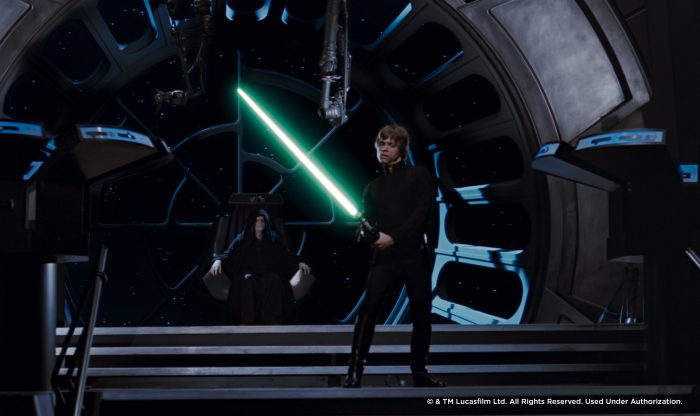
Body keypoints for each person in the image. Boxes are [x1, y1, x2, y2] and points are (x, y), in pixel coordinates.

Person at [344, 124, 446, 388]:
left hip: (413, 255)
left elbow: (421, 214)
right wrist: (368, 233)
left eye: (391, 144)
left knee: (421, 312)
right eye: (381, 144)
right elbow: (366, 223)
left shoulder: (419, 175)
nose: (385, 149)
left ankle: (419, 372)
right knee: (368, 311)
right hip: (385, 258)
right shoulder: (373, 188)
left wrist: (394, 238)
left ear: (402, 149)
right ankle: (354, 371)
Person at [208, 208, 311, 325]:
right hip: (249, 273)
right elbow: (228, 254)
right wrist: (218, 260)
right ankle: (247, 320)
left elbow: (286, 256)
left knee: (274, 279)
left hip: (267, 273)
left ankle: (272, 320)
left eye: (262, 220)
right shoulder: (242, 239)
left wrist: (299, 262)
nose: (260, 223)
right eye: (257, 220)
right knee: (247, 280)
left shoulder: (272, 238)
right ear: (252, 223)